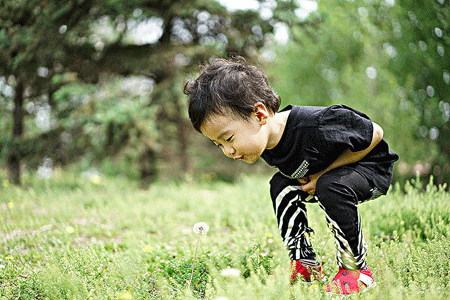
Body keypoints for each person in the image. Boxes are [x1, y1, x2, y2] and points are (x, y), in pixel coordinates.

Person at [184, 57, 399, 294]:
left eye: (229, 138)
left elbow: (375, 133)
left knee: (329, 185)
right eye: (218, 145)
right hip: (326, 177)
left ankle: (356, 271)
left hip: (370, 167)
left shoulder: (316, 124)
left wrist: (325, 173)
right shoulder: (266, 142)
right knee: (280, 185)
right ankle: (304, 263)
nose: (228, 151)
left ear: (259, 114)